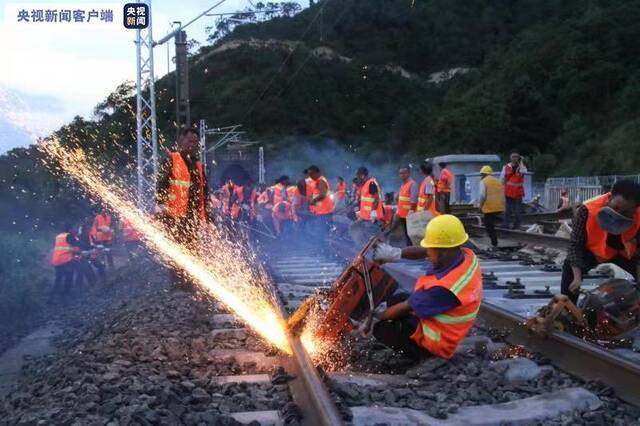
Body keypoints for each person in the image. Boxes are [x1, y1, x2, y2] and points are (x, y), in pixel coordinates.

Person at [370, 215, 483, 360]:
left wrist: (375, 318)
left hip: (438, 343)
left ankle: (418, 358)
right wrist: (393, 253)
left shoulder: (444, 289)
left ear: (443, 252)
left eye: (430, 250)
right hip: (445, 317)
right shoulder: (465, 255)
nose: (427, 253)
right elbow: (424, 252)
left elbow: (405, 307)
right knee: (397, 299)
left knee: (383, 328)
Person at [561, 180, 640, 303]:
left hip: (622, 254)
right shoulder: (587, 209)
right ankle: (567, 311)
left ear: (635, 209)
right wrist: (577, 278)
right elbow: (575, 245)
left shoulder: (638, 215)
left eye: (625, 212)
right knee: (569, 270)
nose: (617, 214)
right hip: (592, 252)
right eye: (616, 208)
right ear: (610, 196)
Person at [156, 128, 208, 284]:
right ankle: (177, 282)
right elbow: (161, 184)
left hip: (191, 215)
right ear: (181, 140)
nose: (192, 144)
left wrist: (207, 215)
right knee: (177, 248)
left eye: (194, 142)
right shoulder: (172, 159)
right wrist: (161, 204)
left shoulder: (197, 164)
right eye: (189, 141)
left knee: (192, 247)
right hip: (174, 214)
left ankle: (190, 281)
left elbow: (204, 191)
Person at [50, 223, 80, 298]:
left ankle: (51, 298)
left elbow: (62, 248)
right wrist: (90, 247)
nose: (74, 230)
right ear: (70, 229)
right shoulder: (69, 236)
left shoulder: (58, 236)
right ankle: (66, 296)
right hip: (65, 260)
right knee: (69, 277)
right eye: (73, 228)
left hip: (57, 260)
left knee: (58, 280)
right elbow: (78, 244)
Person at [478, 166, 505, 249]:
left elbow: (482, 195)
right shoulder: (497, 181)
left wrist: (480, 206)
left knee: (489, 226)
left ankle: (494, 242)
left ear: (483, 174)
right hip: (499, 207)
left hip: (489, 208)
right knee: (495, 222)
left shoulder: (484, 181)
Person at [501, 153, 527, 229]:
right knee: (508, 210)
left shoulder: (522, 167)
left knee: (517, 211)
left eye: (516, 157)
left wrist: (521, 162)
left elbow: (524, 171)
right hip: (509, 192)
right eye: (513, 157)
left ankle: (516, 226)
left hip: (518, 192)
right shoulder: (506, 167)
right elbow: (502, 179)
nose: (514, 158)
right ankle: (506, 226)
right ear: (510, 158)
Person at [307, 165, 335, 237]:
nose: (310, 176)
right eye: (309, 174)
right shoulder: (317, 180)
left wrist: (313, 201)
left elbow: (322, 195)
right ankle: (322, 246)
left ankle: (321, 247)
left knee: (321, 233)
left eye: (312, 174)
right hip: (321, 212)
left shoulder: (321, 181)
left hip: (324, 212)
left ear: (317, 173)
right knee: (321, 232)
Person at [394, 165, 418, 245]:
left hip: (409, 214)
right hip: (402, 214)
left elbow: (413, 200)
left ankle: (412, 249)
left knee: (410, 234)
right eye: (400, 173)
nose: (402, 175)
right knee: (406, 233)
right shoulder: (403, 184)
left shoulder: (412, 184)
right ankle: (408, 248)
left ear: (408, 173)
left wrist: (411, 210)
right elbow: (400, 198)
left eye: (404, 173)